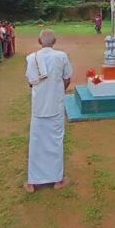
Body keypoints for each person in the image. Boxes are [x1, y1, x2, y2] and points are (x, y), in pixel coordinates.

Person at [24, 29, 73, 193]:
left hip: (39, 106)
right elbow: (67, 79)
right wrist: (59, 91)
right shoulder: (61, 56)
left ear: (39, 41)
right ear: (55, 41)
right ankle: (57, 180)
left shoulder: (32, 59)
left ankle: (32, 182)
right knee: (55, 141)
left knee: (36, 141)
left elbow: (31, 83)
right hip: (55, 105)